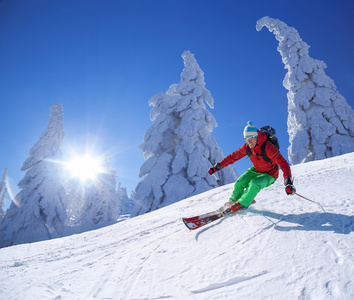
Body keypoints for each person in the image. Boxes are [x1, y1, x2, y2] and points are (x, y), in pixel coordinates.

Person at [209, 121, 296, 212]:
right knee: (240, 182)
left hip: (270, 174)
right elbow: (233, 157)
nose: (248, 141)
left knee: (254, 183)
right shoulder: (247, 147)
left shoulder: (268, 147)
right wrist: (217, 167)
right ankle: (232, 202)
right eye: (246, 138)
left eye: (250, 137)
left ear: (256, 136)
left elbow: (283, 163)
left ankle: (241, 204)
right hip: (256, 170)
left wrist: (288, 181)